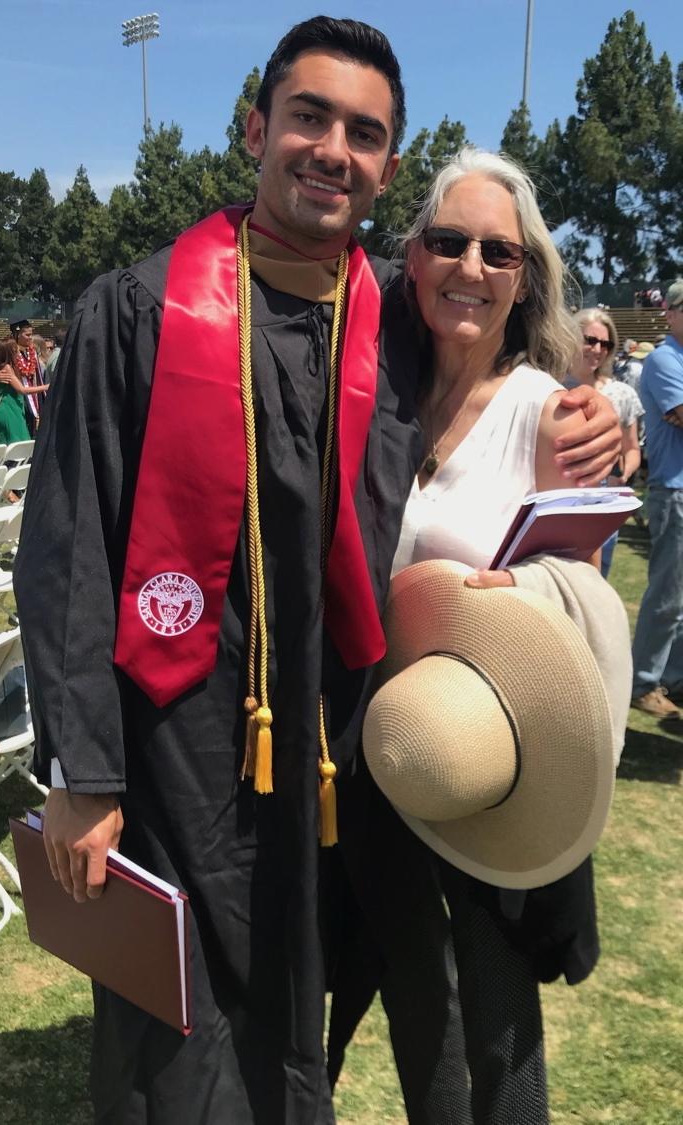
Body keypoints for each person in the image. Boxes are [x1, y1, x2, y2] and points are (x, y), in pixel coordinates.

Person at [14, 18, 621, 1125]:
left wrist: (585, 419)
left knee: (319, 1023)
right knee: (182, 1044)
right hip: (176, 751)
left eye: (365, 132)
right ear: (257, 129)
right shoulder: (138, 311)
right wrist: (85, 771)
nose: (332, 148)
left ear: (388, 167)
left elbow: (490, 348)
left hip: (342, 754)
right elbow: (69, 549)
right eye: (309, 116)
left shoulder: (389, 308)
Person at [328, 146, 629, 1125]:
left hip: (489, 760)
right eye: (448, 242)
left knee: (493, 1026)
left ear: (524, 277)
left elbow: (583, 590)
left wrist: (521, 598)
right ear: (412, 260)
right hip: (375, 749)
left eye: (498, 252)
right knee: (390, 991)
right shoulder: (370, 398)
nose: (471, 266)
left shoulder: (553, 414)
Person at [630, 279, 683, 719]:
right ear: (670, 313)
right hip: (675, 489)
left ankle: (674, 678)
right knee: (667, 595)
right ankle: (644, 682)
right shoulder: (665, 359)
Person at [569, 309, 643, 577]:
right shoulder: (547, 386)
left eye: (606, 344)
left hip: (603, 506)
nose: (597, 349)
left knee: (597, 586)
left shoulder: (622, 394)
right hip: (555, 505)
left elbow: (632, 449)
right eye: (589, 340)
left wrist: (622, 472)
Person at [0, 338, 49, 445]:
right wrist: (45, 387)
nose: (18, 352)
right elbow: (21, 389)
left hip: (11, 406)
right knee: (15, 442)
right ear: (9, 352)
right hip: (7, 407)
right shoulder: (6, 367)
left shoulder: (5, 365)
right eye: (15, 350)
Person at [10, 318, 45, 435]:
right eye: (27, 335)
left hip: (34, 395)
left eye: (31, 334)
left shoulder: (32, 352)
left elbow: (38, 377)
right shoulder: (9, 351)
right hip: (17, 398)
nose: (30, 337)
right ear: (17, 335)